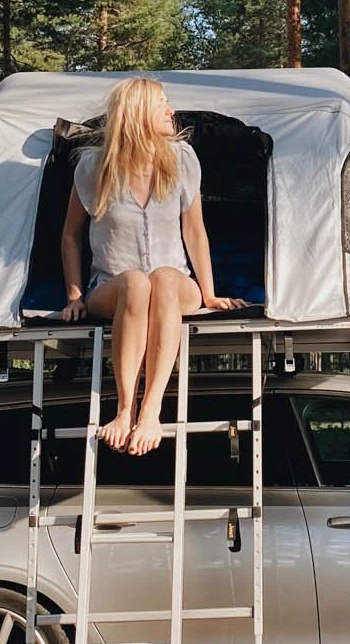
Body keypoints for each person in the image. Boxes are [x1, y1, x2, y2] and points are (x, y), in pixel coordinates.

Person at [59, 77, 243, 452]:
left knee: (161, 278)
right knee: (136, 282)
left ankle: (151, 411)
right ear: (140, 113)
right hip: (113, 286)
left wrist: (209, 293)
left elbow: (195, 230)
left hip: (175, 283)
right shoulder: (94, 167)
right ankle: (124, 409)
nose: (171, 111)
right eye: (162, 104)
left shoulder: (181, 159)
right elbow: (70, 236)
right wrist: (75, 295)